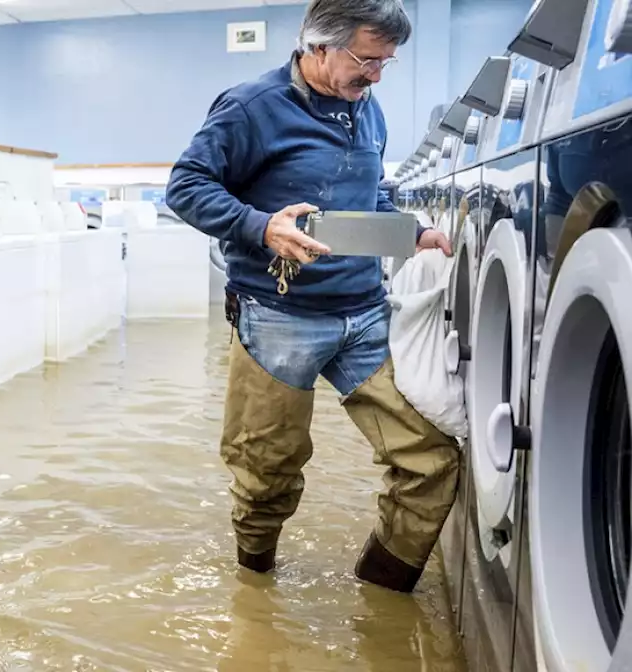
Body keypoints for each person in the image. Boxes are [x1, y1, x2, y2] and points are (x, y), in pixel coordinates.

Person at [166, 0, 458, 593]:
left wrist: (411, 232)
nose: (376, 76)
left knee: (430, 460)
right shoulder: (251, 106)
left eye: (386, 63)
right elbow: (185, 186)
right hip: (277, 315)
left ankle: (382, 596)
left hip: (363, 314)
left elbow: (368, 195)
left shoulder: (366, 109)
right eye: (367, 60)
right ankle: (255, 595)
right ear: (318, 46)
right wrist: (260, 226)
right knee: (266, 472)